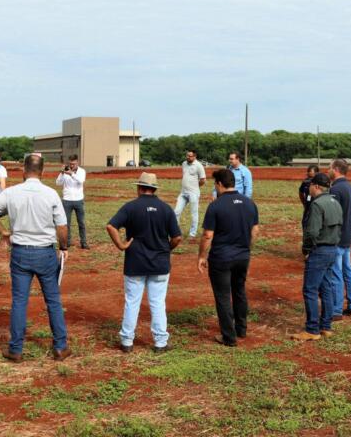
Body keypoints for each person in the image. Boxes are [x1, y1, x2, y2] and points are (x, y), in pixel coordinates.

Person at [0, 154, 71, 363]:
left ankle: (15, 349)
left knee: (19, 301)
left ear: (24, 170)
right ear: (42, 171)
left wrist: (4, 233)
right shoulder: (51, 194)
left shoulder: (12, 192)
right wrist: (64, 246)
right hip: (45, 253)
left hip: (21, 252)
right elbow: (62, 227)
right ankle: (60, 347)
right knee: (53, 300)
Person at [106, 172, 182, 354]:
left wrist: (121, 245)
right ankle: (160, 342)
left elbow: (111, 226)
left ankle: (127, 341)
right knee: (157, 303)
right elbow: (177, 237)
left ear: (139, 188)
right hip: (160, 264)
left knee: (132, 302)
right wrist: (166, 249)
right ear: (154, 189)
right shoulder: (165, 208)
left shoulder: (131, 207)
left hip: (135, 262)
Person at [197, 168, 259, 347]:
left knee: (223, 296)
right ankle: (241, 329)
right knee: (239, 291)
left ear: (219, 184)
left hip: (221, 258)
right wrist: (247, 248)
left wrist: (202, 256)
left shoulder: (216, 205)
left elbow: (208, 235)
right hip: (242, 256)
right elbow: (255, 230)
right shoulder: (249, 203)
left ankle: (229, 337)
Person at [291, 173, 342, 341]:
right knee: (325, 288)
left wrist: (306, 250)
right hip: (332, 249)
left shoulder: (317, 204)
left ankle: (312, 329)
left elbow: (312, 232)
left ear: (317, 186)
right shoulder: (335, 202)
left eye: (311, 186)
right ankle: (326, 326)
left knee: (310, 289)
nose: (309, 189)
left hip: (319, 250)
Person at [328, 159, 351, 320]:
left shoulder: (336, 189)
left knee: (336, 274)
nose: (328, 170)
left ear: (337, 169)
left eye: (330, 168)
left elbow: (332, 215)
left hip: (337, 238)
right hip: (348, 235)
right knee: (348, 270)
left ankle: (336, 310)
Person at [56, 154, 88, 249]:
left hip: (79, 200)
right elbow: (58, 183)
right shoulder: (65, 171)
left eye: (73, 164)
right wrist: (62, 173)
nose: (72, 166)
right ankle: (67, 242)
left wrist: (71, 174)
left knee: (81, 222)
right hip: (67, 200)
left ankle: (84, 242)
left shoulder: (82, 171)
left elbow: (81, 180)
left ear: (77, 163)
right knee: (66, 223)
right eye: (70, 164)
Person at [174, 150, 206, 238]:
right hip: (183, 192)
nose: (188, 157)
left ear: (195, 157)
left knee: (194, 213)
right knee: (176, 212)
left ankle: (192, 234)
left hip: (193, 193)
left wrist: (196, 187)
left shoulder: (199, 166)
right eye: (187, 155)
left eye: (190, 156)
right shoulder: (184, 163)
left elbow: (203, 180)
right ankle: (176, 232)